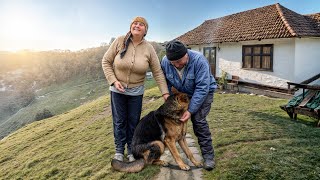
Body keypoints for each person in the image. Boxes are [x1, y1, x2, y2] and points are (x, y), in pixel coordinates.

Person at [102, 16, 169, 162]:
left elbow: (157, 71)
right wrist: (113, 81)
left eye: (141, 24)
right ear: (131, 27)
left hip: (136, 92)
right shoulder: (120, 41)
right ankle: (119, 150)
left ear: (145, 30)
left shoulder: (149, 48)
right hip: (117, 91)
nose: (137, 25)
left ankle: (131, 150)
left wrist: (165, 93)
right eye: (134, 23)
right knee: (119, 121)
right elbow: (106, 61)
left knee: (133, 122)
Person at [160, 40, 217, 171]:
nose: (177, 65)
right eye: (173, 63)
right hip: (182, 94)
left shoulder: (199, 61)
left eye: (179, 61)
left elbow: (202, 88)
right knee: (173, 120)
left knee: (198, 120)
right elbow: (165, 82)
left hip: (204, 92)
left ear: (187, 53)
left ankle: (208, 156)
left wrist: (190, 110)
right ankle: (178, 140)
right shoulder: (165, 61)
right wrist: (167, 97)